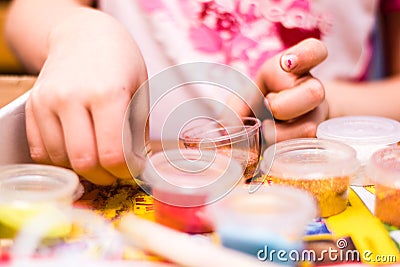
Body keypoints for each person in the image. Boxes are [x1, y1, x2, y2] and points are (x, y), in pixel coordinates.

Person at [4, 0, 400, 185]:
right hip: (127, 179)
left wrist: (326, 105)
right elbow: (29, 11)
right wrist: (80, 31)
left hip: (316, 185)